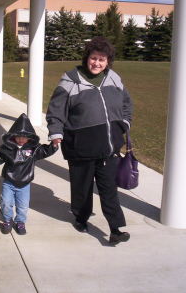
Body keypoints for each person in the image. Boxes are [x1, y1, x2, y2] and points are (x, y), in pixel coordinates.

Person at [46, 37, 133, 244]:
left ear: (108, 61)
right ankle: (81, 217)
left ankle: (115, 228)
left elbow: (127, 103)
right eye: (94, 58)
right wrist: (56, 133)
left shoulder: (113, 78)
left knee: (109, 188)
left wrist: (124, 123)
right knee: (82, 187)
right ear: (87, 58)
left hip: (108, 146)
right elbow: (56, 110)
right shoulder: (70, 79)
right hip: (80, 146)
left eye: (102, 60)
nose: (97, 63)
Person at [0, 113, 58, 235]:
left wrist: (54, 144)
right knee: (6, 203)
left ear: (30, 137)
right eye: (18, 136)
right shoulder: (7, 148)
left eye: (25, 137)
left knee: (23, 206)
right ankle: (7, 221)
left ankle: (20, 222)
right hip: (9, 182)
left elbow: (45, 151)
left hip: (24, 184)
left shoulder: (34, 149)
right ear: (13, 136)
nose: (21, 139)